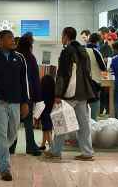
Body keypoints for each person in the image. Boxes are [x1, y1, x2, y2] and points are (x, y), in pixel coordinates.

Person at [0, 30, 29, 181]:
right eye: (9, 38)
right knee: (0, 134)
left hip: (15, 101)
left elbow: (24, 82)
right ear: (0, 40)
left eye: (12, 37)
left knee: (13, 134)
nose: (12, 40)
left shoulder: (20, 58)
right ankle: (5, 168)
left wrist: (25, 103)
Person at [43, 27, 95, 162]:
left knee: (61, 121)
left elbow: (62, 75)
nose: (61, 38)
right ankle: (88, 153)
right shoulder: (83, 50)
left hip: (70, 93)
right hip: (83, 92)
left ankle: (55, 151)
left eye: (62, 36)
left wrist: (58, 94)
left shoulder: (67, 52)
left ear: (66, 36)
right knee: (83, 124)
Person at [8, 36, 42, 156]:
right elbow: (35, 79)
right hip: (28, 93)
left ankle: (11, 146)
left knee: (14, 121)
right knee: (28, 122)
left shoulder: (14, 57)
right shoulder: (31, 58)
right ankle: (31, 146)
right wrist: (38, 96)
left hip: (15, 93)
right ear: (30, 45)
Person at [86, 33, 106, 120]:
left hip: (83, 80)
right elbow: (103, 67)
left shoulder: (82, 50)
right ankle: (92, 122)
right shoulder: (96, 52)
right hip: (95, 81)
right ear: (97, 42)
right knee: (94, 104)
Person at [38, 74, 56, 151]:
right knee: (46, 129)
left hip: (44, 112)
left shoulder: (42, 91)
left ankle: (52, 147)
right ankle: (43, 144)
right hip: (51, 111)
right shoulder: (54, 91)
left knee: (47, 130)